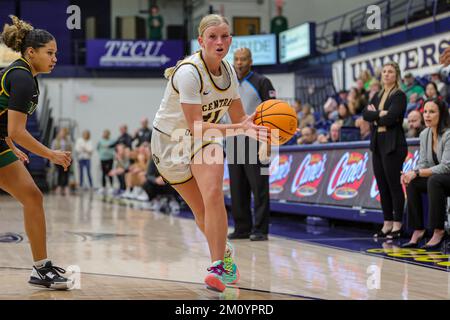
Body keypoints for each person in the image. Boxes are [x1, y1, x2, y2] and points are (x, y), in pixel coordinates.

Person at [151, 14, 268, 292]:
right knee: (200, 211)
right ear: (201, 41)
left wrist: (261, 126)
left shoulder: (228, 72)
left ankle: (217, 266)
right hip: (172, 142)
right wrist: (240, 127)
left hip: (205, 140)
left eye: (225, 36)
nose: (220, 41)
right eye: (213, 37)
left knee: (213, 193)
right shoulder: (189, 72)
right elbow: (195, 126)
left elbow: (239, 118)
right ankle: (226, 254)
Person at [0, 15, 73, 289]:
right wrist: (51, 154)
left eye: (56, 53)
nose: (55, 58)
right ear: (31, 52)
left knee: (32, 197)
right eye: (50, 53)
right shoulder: (22, 78)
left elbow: (5, 122)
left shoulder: (24, 75)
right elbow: (18, 130)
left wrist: (10, 146)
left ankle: (41, 269)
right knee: (33, 197)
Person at [227, 47, 276, 242]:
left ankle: (260, 229)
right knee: (237, 188)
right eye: (237, 59)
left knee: (259, 187)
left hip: (257, 141)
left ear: (251, 61)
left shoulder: (262, 82)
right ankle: (242, 227)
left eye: (243, 59)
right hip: (233, 140)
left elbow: (273, 113)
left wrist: (268, 142)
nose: (239, 63)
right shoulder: (228, 84)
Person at [362, 61, 407, 239]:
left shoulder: (399, 95)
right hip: (378, 143)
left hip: (393, 144)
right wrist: (379, 114)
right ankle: (387, 222)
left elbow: (392, 118)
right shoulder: (377, 94)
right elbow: (365, 114)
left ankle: (398, 224)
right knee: (382, 185)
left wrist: (377, 116)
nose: (387, 74)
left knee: (394, 185)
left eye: (390, 72)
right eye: (384, 72)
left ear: (396, 75)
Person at [401, 99, 450, 249]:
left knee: (433, 180)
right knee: (413, 181)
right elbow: (423, 163)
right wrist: (411, 173)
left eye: (432, 112)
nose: (427, 115)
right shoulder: (424, 134)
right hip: (438, 178)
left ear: (441, 115)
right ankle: (418, 229)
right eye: (425, 112)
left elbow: (446, 167)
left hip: (445, 177)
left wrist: (418, 172)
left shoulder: (448, 134)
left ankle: (438, 230)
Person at [51, 127, 73, 195]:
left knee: (66, 173)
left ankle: (65, 187)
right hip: (58, 159)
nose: (62, 134)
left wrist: (71, 158)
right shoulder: (55, 141)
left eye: (64, 133)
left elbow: (71, 149)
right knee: (60, 173)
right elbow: (52, 149)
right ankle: (59, 186)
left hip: (66, 158)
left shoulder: (68, 141)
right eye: (61, 132)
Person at [97, 129, 115, 194]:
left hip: (110, 158)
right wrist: (101, 154)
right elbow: (98, 148)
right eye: (104, 133)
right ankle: (103, 187)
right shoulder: (100, 141)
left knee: (110, 172)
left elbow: (114, 148)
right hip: (103, 159)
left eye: (106, 133)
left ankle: (111, 187)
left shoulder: (112, 141)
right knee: (104, 173)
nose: (105, 134)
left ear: (108, 134)